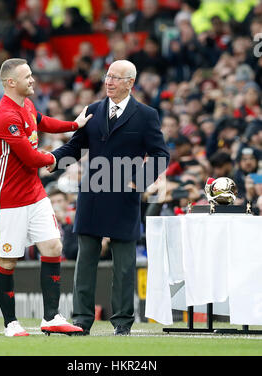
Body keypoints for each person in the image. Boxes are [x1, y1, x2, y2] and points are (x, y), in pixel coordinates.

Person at [47, 60, 170, 335]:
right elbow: (76, 146)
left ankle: (123, 324)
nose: (109, 81)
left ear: (130, 82)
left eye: (116, 77)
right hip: (92, 194)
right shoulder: (92, 110)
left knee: (124, 266)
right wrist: (54, 159)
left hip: (125, 196)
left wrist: (138, 181)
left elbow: (161, 155)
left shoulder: (146, 115)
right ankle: (80, 321)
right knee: (85, 261)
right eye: (107, 76)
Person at [0, 58, 92, 337]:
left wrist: (73, 124)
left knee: (53, 247)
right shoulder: (5, 116)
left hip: (34, 193)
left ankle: (51, 318)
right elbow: (32, 158)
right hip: (6, 198)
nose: (33, 80)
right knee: (8, 261)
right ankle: (11, 323)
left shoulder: (27, 105)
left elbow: (42, 122)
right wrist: (55, 158)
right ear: (11, 83)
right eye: (27, 76)